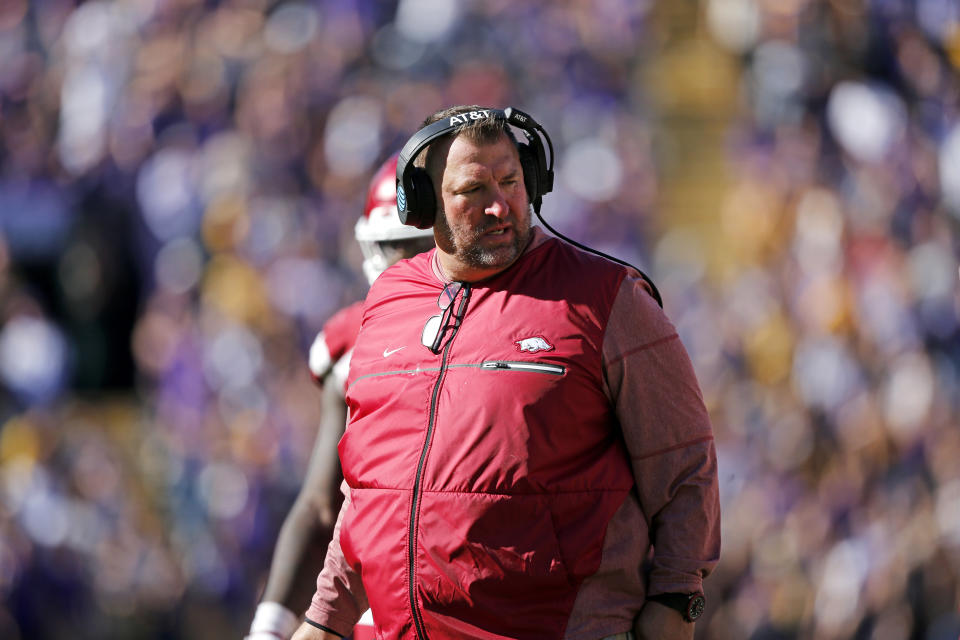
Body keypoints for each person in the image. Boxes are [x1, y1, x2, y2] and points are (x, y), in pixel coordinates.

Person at [291, 106, 721, 640]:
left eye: (512, 181)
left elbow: (684, 465)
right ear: (422, 204)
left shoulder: (609, 298)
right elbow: (368, 494)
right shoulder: (386, 302)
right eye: (474, 189)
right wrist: (322, 620)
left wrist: (678, 602)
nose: (500, 206)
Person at [246, 154, 435, 640]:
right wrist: (268, 628)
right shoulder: (352, 344)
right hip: (381, 613)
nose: (410, 262)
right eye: (397, 246)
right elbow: (321, 505)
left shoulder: (515, 330)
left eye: (422, 244)